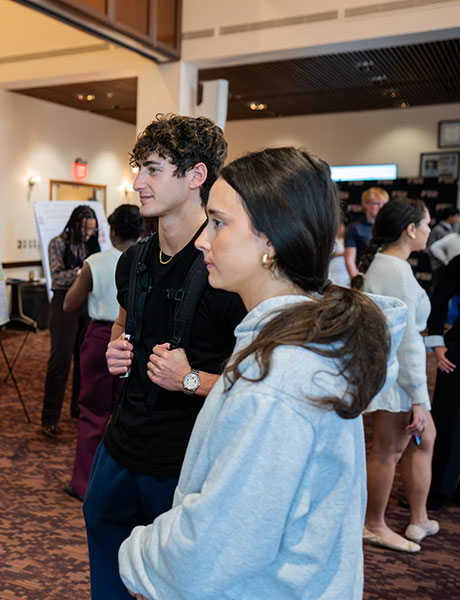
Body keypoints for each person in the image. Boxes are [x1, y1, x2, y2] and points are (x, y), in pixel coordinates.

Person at [118, 147, 401, 600]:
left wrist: (139, 558)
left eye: (219, 223)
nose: (202, 240)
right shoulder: (288, 345)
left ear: (270, 240)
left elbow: (220, 542)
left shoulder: (278, 378)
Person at [84, 114, 245, 599]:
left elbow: (257, 386)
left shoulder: (226, 268)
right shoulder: (133, 260)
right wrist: (117, 345)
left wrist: (191, 379)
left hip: (185, 468)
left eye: (153, 170)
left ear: (196, 176)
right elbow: (122, 321)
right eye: (140, 170)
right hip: (118, 450)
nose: (137, 183)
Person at [351, 197, 438, 552]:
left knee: (423, 440)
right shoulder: (394, 269)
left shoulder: (391, 266)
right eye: (427, 223)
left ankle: (418, 519)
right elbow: (406, 343)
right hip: (397, 377)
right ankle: (373, 523)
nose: (431, 230)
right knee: (387, 451)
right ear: (411, 229)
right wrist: (419, 397)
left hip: (396, 375)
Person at [61, 204, 143, 500]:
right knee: (129, 413)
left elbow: (69, 304)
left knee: (93, 412)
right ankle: (121, 485)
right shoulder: (149, 260)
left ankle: (84, 484)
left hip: (100, 339)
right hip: (136, 342)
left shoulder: (96, 262)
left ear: (111, 231)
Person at [40, 204, 100, 437]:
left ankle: (78, 409)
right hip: (64, 304)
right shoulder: (58, 242)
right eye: (85, 229)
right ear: (75, 225)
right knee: (60, 361)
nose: (89, 234)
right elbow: (56, 277)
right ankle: (50, 418)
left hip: (88, 303)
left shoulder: (91, 244)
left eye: (92, 230)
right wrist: (82, 272)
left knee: (85, 360)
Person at [427, 254, 460, 510]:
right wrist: (436, 344)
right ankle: (438, 490)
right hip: (457, 353)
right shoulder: (459, 263)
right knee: (448, 422)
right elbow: (437, 304)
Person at [344, 186, 388, 279]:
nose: (381, 207)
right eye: (377, 203)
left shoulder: (389, 226)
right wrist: (357, 283)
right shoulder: (355, 228)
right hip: (364, 278)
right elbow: (349, 260)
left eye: (383, 204)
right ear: (365, 204)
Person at [328, 216, 351, 287]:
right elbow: (329, 255)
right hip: (333, 269)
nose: (341, 228)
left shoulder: (348, 240)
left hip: (344, 270)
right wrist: (343, 254)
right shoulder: (332, 240)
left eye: (342, 226)